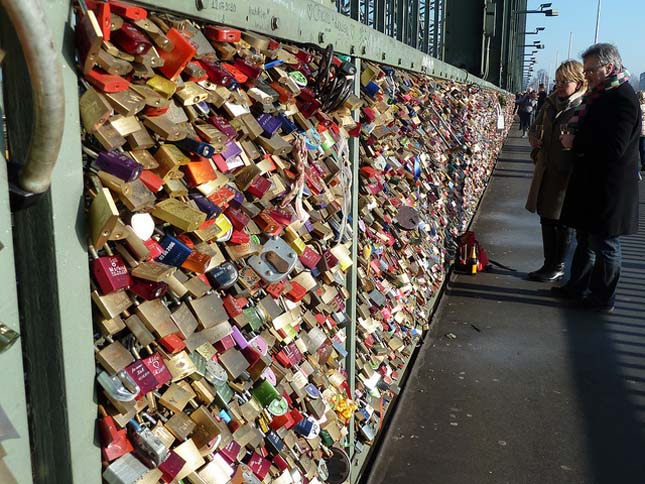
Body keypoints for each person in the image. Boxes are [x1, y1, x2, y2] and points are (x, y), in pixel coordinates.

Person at [555, 44, 641, 313]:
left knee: (605, 243)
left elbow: (615, 146)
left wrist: (575, 141)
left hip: (609, 187)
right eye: (586, 70)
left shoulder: (623, 98)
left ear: (610, 67)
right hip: (593, 183)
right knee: (586, 238)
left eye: (592, 70)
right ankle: (577, 287)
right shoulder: (601, 94)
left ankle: (603, 298)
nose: (587, 75)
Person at [525, 61, 587, 282]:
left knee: (560, 220)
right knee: (546, 217)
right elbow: (536, 126)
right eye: (557, 81)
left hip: (566, 174)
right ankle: (549, 263)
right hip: (546, 168)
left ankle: (557, 264)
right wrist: (534, 140)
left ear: (579, 83)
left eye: (565, 82)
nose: (559, 86)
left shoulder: (583, 106)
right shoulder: (550, 103)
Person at [639, 90, 645, 170]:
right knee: (642, 148)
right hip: (642, 130)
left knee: (642, 149)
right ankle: (643, 164)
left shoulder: (638, 105)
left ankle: (644, 164)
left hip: (641, 130)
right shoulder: (639, 105)